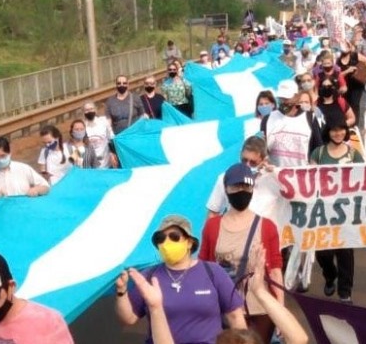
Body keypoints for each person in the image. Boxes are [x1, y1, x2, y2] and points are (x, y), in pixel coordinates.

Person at [115, 215, 247, 343]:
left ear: (189, 242)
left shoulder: (213, 272)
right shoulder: (148, 276)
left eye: (174, 237)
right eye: (161, 238)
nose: (167, 243)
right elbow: (129, 318)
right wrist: (121, 291)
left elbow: (235, 317)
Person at [200, 164, 284, 342]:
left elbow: (275, 269)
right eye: (236, 186)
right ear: (226, 189)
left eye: (246, 186)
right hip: (225, 309)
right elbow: (204, 269)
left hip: (261, 308)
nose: (242, 190)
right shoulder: (212, 227)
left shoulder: (267, 226)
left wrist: (280, 310)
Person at [310, 119, 364, 303]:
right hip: (323, 212)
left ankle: (345, 293)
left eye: (341, 129)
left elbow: (364, 179)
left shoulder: (354, 154)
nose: (338, 133)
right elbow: (308, 180)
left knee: (345, 254)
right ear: (328, 132)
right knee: (323, 253)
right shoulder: (318, 153)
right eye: (334, 130)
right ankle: (330, 275)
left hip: (347, 212)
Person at [261, 79, 324, 167]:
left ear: (297, 96)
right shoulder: (268, 119)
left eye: (287, 98)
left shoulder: (310, 118)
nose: (284, 101)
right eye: (282, 98)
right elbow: (262, 150)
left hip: (302, 175)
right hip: (275, 175)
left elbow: (318, 149)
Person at [206, 136, 269, 218]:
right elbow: (213, 212)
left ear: (264, 161)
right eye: (244, 160)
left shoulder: (271, 181)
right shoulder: (225, 178)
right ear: (240, 154)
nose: (247, 166)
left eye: (253, 162)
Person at [0, 137, 49, 201]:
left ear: (9, 153)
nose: (0, 160)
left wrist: (36, 190)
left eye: (3, 156)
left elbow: (45, 186)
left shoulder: (23, 169)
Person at [82, 101, 115, 169]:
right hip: (92, 166)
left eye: (91, 109)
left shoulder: (103, 122)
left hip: (107, 162)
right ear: (83, 112)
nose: (89, 111)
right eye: (86, 110)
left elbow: (111, 138)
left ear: (95, 110)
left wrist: (113, 153)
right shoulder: (82, 127)